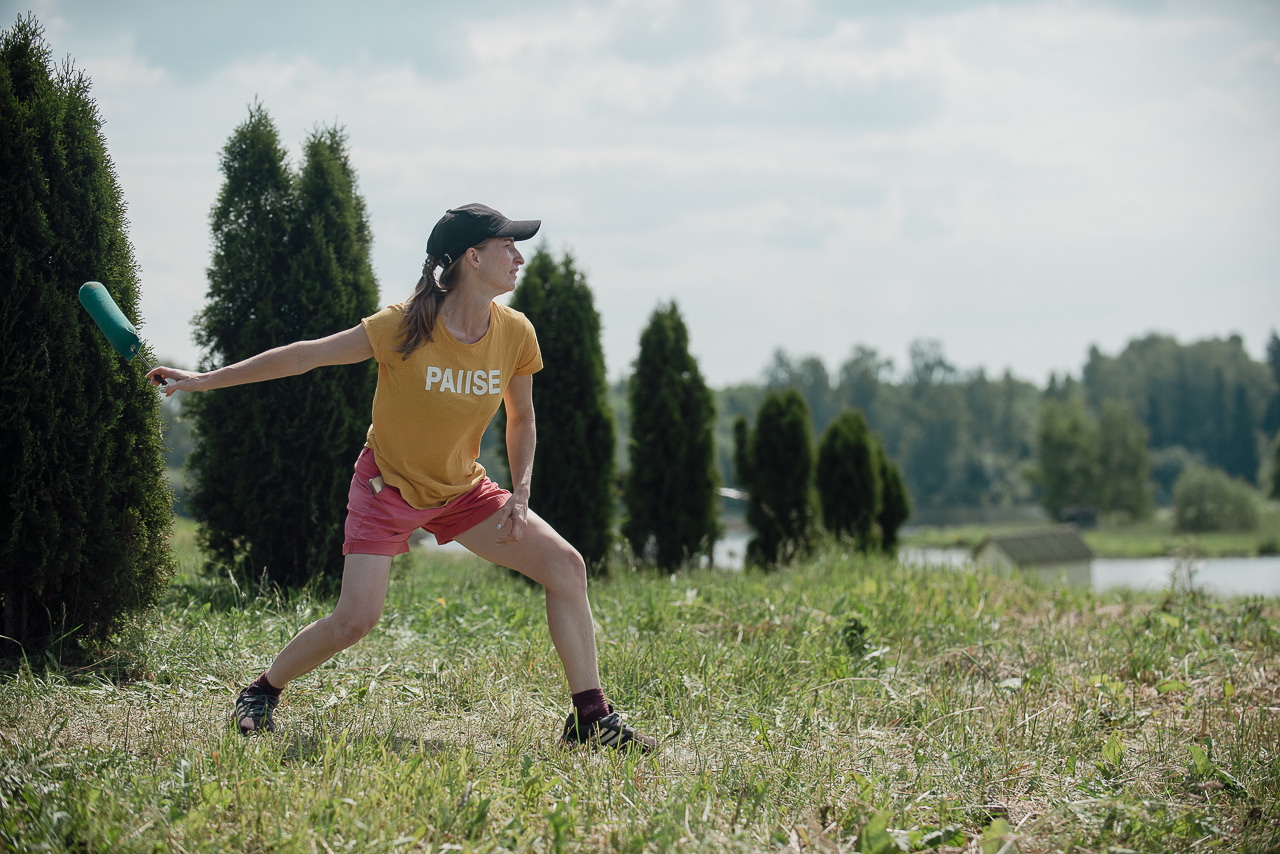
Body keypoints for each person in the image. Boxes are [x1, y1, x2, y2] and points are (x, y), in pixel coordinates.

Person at [149, 203, 655, 753]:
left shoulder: (515, 333)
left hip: (461, 490)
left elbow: (523, 417)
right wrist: (203, 380)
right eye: (508, 246)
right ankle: (262, 691)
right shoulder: (403, 326)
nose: (519, 257)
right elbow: (306, 357)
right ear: (472, 257)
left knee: (566, 566)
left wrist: (522, 490)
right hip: (385, 489)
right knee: (355, 620)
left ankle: (590, 718)